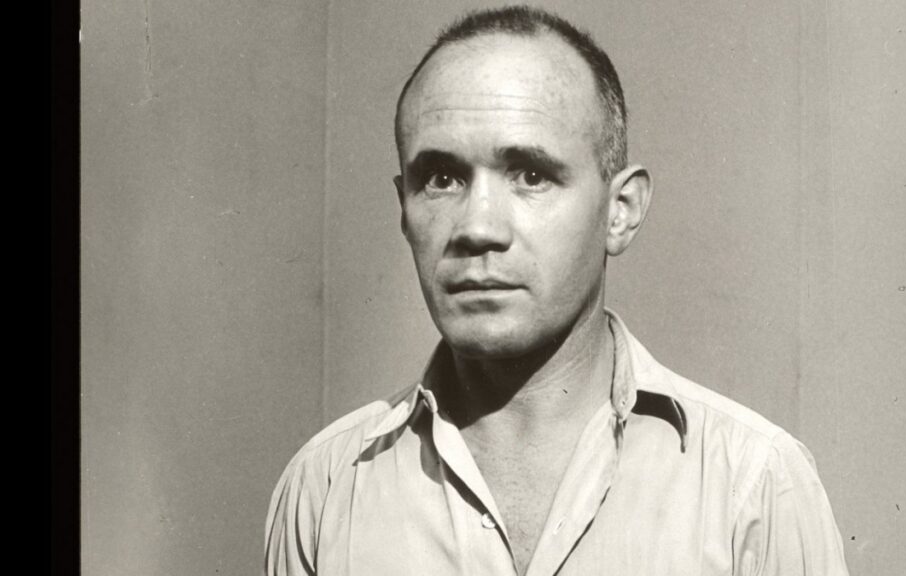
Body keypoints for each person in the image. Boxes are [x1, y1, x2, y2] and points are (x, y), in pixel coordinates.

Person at [265, 6, 849, 575]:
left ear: (620, 212)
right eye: (441, 179)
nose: (478, 227)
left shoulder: (754, 487)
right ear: (404, 208)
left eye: (531, 175)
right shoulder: (326, 489)